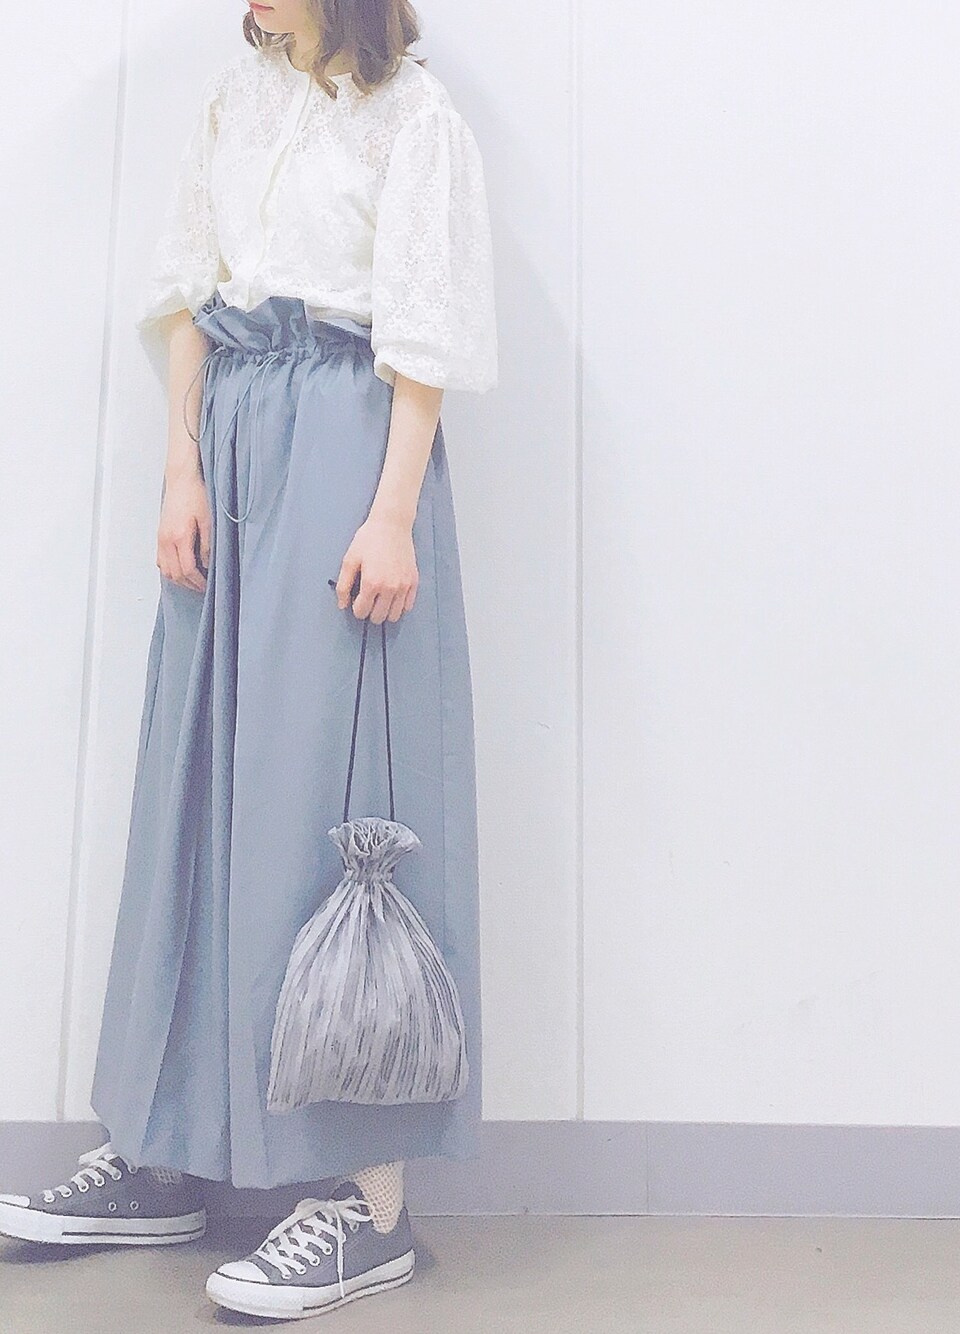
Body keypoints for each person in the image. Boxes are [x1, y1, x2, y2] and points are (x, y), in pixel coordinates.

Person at [0, 0, 496, 1320]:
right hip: (227, 447)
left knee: (330, 799)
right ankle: (169, 1146)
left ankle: (366, 1204)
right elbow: (189, 294)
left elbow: (424, 340)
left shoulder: (416, 121)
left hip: (344, 449)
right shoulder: (239, 98)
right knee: (199, 790)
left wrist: (392, 514)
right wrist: (181, 470)